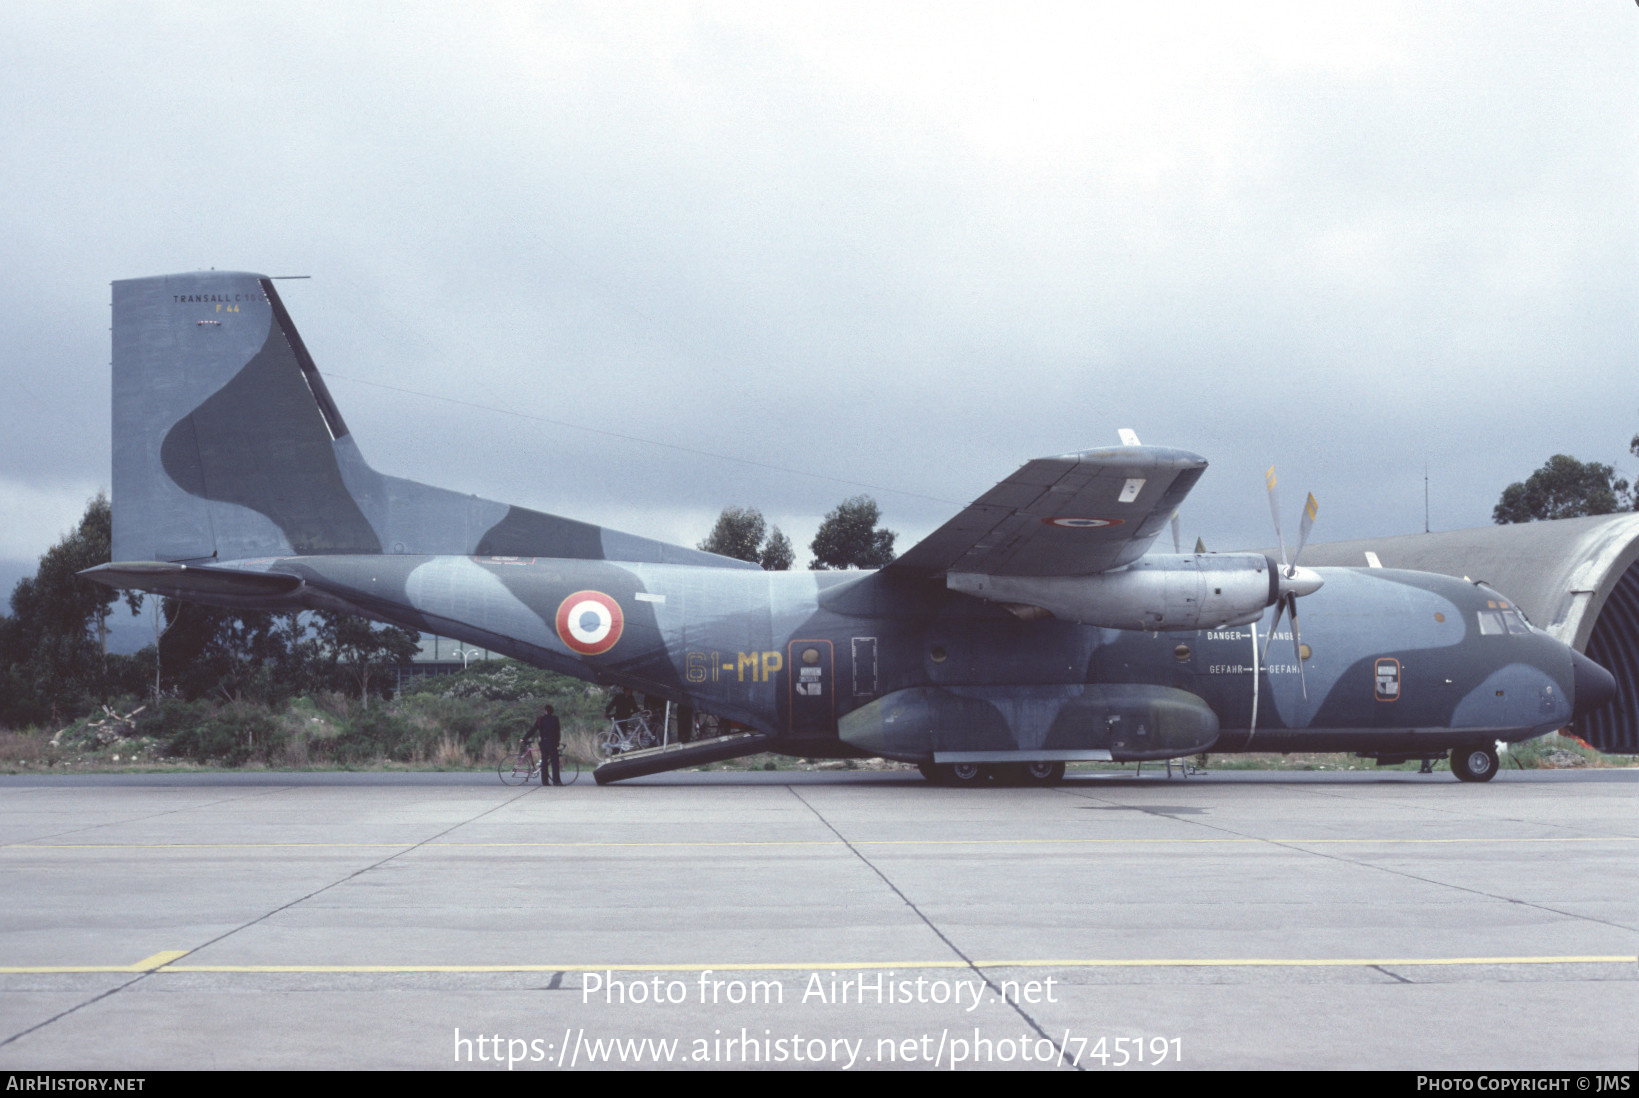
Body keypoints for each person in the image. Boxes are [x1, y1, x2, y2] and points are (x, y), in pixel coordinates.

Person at [523, 704, 562, 785]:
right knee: (555, 763)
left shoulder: (540, 719)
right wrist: (557, 742)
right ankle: (556, 781)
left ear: (546, 711)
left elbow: (533, 730)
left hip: (544, 743)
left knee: (544, 762)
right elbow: (557, 732)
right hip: (552, 743)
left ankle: (545, 782)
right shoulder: (555, 719)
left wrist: (524, 738)